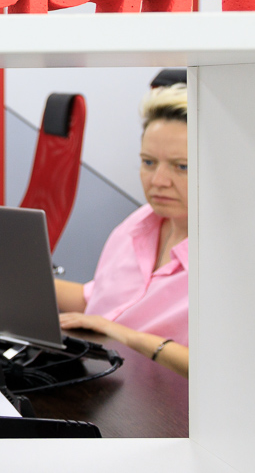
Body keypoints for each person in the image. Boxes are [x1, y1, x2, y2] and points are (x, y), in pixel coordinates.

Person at [57, 84, 190, 378]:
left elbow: (227, 372)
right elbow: (95, 301)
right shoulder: (139, 223)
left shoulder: (234, 262)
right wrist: (15, 279)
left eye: (182, 166)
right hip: (96, 376)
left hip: (158, 397)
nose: (159, 181)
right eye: (148, 162)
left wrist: (123, 335)